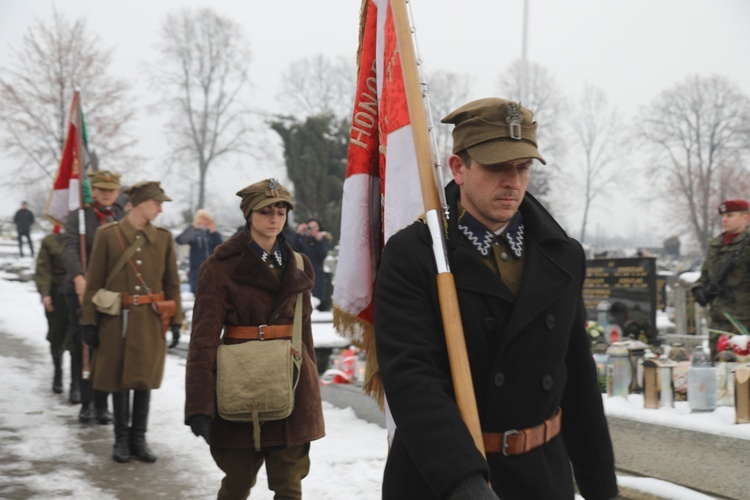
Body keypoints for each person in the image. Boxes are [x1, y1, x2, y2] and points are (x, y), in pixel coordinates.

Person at [374, 98, 618, 499]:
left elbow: (577, 378)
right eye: (496, 167)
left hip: (541, 477)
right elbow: (412, 377)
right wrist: (465, 483)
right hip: (443, 479)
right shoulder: (416, 254)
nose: (513, 182)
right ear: (459, 168)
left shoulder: (561, 255)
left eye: (522, 168)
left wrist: (601, 488)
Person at [185, 178, 324, 500]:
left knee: (290, 485)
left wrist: (311, 395)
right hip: (239, 385)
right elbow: (203, 340)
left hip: (290, 386)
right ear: (249, 215)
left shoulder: (299, 264)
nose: (274, 219)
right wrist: (199, 405)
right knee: (236, 484)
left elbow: (305, 337)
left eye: (281, 210)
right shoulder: (219, 268)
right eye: (265, 211)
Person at [79, 181, 182, 464]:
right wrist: (88, 320)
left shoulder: (163, 238)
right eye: (157, 203)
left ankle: (139, 438)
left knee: (144, 381)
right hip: (116, 320)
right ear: (139, 203)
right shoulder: (108, 235)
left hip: (151, 321)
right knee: (119, 380)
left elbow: (172, 283)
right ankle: (121, 439)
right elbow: (94, 282)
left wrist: (175, 322)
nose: (161, 208)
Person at [62, 170, 125, 423]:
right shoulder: (78, 217)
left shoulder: (124, 217)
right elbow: (70, 248)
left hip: (111, 294)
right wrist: (79, 278)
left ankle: (103, 405)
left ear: (117, 192)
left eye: (110, 190)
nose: (106, 194)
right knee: (83, 346)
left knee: (107, 349)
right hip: (81, 290)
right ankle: (86, 402)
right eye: (101, 189)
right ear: (93, 191)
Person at [692, 199, 750, 362]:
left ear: (746, 218)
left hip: (742, 321)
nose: (724, 220)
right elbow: (705, 275)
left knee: (741, 373)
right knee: (717, 368)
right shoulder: (715, 244)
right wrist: (699, 290)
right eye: (723, 216)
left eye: (730, 215)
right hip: (718, 320)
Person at [34, 228, 73, 394]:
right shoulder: (50, 241)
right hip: (56, 292)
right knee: (57, 335)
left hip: (77, 292)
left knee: (77, 337)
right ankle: (58, 373)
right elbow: (43, 270)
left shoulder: (83, 238)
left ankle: (76, 383)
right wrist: (45, 294)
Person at [175, 209, 223, 293]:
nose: (203, 222)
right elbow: (180, 240)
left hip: (214, 273)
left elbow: (222, 249)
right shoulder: (193, 234)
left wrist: (213, 231)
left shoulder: (214, 234)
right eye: (201, 219)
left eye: (206, 219)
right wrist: (193, 228)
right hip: (197, 273)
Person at [292, 218, 332, 310]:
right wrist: (298, 233)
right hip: (302, 273)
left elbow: (322, 254)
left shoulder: (323, 239)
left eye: (315, 227)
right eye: (310, 227)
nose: (312, 229)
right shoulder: (302, 239)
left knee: (317, 300)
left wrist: (319, 241)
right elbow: (293, 250)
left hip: (317, 274)